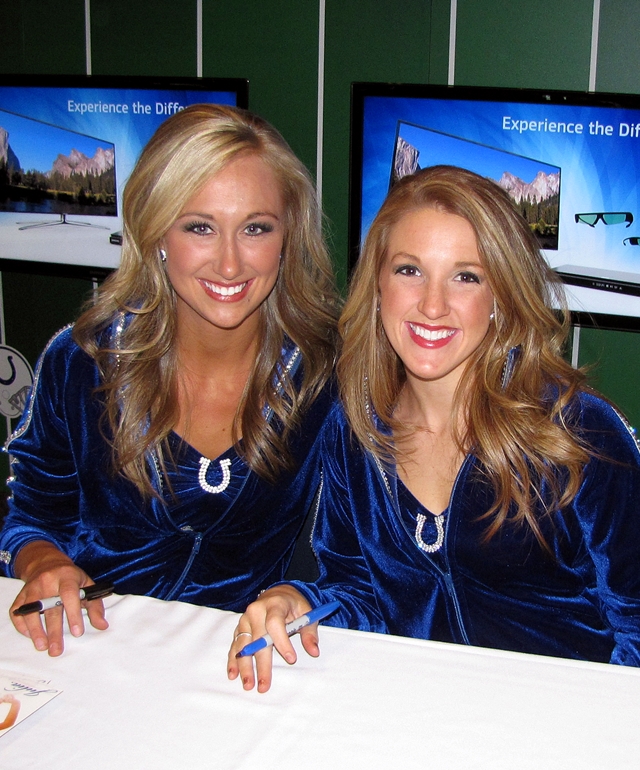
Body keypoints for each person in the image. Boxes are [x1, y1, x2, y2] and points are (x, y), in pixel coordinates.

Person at [228, 165, 640, 692]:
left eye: (465, 276)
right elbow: (359, 591)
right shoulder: (354, 428)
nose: (432, 304)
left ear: (502, 297)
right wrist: (299, 600)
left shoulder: (577, 431)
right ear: (377, 284)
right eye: (409, 270)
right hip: (412, 719)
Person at [0, 104, 339, 656]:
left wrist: (297, 591)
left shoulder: (326, 377)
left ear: (288, 236)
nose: (230, 264)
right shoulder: (81, 360)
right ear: (156, 231)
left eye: (255, 228)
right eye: (200, 227)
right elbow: (34, 512)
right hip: (91, 645)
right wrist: (44, 561)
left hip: (243, 662)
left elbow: (352, 550)